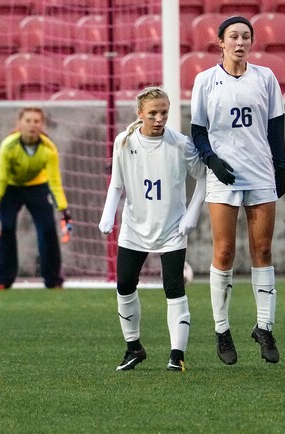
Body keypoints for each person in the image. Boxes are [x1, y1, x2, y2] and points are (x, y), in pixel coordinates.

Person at [190, 16, 285, 365]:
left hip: (260, 173)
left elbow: (276, 127)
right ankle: (221, 330)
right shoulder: (205, 81)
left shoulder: (265, 77)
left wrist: (281, 168)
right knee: (225, 252)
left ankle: (264, 327)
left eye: (246, 36)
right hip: (224, 175)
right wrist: (211, 160)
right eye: (233, 36)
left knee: (262, 249)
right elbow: (198, 131)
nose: (240, 41)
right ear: (220, 41)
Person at [98, 87, 207, 372]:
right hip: (134, 228)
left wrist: (191, 215)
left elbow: (203, 178)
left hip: (172, 229)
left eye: (164, 113)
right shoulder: (124, 142)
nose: (159, 119)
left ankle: (177, 355)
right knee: (124, 286)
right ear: (140, 114)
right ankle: (133, 348)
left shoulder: (181, 144)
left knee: (174, 288)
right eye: (153, 113)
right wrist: (108, 213)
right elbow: (117, 184)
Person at [0, 107, 72, 290]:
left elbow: (55, 182)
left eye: (36, 121)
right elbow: (0, 177)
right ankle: (3, 280)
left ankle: (53, 280)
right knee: (7, 228)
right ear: (19, 124)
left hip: (37, 187)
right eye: (28, 121)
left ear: (42, 125)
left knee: (48, 229)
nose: (32, 125)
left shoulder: (49, 148)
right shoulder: (8, 146)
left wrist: (63, 209)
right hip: (10, 187)